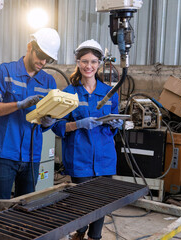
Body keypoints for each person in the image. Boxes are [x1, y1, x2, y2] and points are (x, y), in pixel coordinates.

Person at [52, 39, 123, 240]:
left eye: (93, 61)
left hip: (105, 158)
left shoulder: (110, 94)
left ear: (99, 63)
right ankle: (80, 232)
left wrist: (116, 124)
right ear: (77, 62)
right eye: (84, 61)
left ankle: (94, 237)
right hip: (80, 158)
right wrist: (79, 124)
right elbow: (57, 127)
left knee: (101, 203)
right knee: (82, 203)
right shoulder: (68, 93)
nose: (88, 66)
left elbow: (114, 126)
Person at [0, 28, 61, 199]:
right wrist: (19, 105)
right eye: (40, 55)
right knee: (0, 207)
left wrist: (49, 122)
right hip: (4, 154)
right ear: (30, 47)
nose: (43, 61)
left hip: (32, 155)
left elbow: (46, 120)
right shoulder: (5, 73)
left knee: (25, 208)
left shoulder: (48, 82)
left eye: (47, 59)